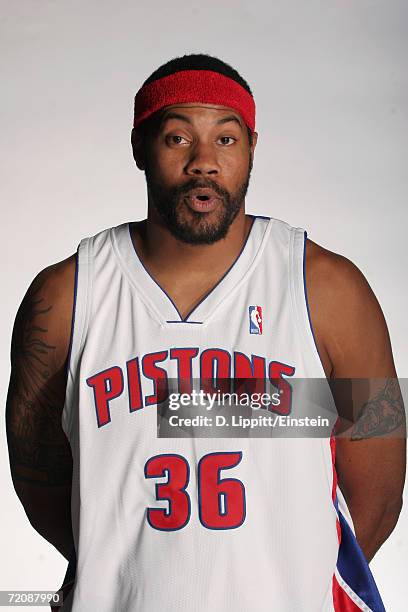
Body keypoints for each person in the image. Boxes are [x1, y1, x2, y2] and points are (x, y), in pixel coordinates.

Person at [6, 53, 406, 611]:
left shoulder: (331, 289)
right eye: (176, 139)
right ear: (139, 149)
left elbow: (379, 494)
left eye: (225, 139)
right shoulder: (66, 296)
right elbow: (41, 483)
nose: (204, 162)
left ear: (251, 149)